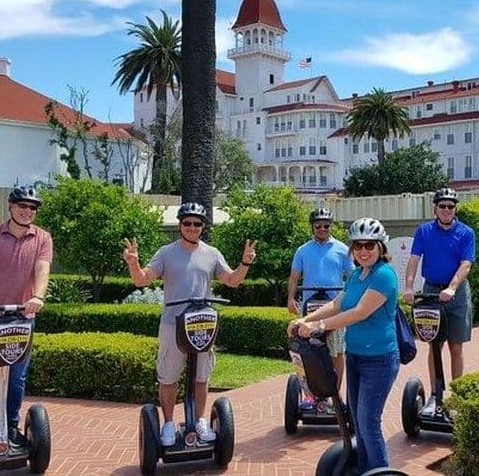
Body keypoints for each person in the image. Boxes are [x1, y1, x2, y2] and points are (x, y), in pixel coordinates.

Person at [123, 202, 257, 446]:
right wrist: (133, 263)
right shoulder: (166, 252)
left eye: (197, 223)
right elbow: (142, 280)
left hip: (202, 324)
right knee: (169, 376)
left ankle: (199, 421)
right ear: (180, 225)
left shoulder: (212, 253)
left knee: (201, 377)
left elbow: (232, 281)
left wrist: (245, 263)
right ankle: (169, 424)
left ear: (202, 227)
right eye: (187, 223)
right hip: (173, 324)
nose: (192, 227)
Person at [288, 217, 400, 473]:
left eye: (369, 246)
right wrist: (306, 318)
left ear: (381, 247)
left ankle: (380, 471)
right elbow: (337, 303)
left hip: (379, 360)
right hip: (356, 357)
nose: (363, 251)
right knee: (357, 422)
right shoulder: (358, 275)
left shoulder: (384, 275)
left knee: (368, 421)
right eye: (358, 245)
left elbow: (360, 312)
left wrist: (320, 327)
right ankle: (363, 469)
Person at [0, 185, 53, 453]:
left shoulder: (42, 238)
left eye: (32, 207)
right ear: (11, 207)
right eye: (22, 206)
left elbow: (42, 271)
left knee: (16, 378)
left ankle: (12, 427)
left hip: (20, 319)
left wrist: (38, 297)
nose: (27, 211)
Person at [403, 187, 475, 413]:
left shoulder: (466, 233)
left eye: (450, 206)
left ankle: (456, 397)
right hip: (431, 291)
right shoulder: (424, 231)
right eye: (442, 206)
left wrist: (452, 288)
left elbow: (466, 264)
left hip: (457, 293)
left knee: (456, 346)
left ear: (455, 209)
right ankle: (435, 395)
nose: (446, 210)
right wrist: (408, 286)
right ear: (435, 208)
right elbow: (414, 260)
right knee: (434, 346)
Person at [286, 207, 353, 409]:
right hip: (310, 309)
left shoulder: (342, 249)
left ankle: (335, 395)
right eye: (318, 226)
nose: (322, 229)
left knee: (336, 353)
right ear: (312, 227)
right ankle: (309, 395)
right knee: (306, 353)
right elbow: (294, 277)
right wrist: (290, 298)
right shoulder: (303, 250)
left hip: (334, 310)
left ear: (330, 226)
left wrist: (351, 299)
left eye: (326, 225)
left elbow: (351, 277)